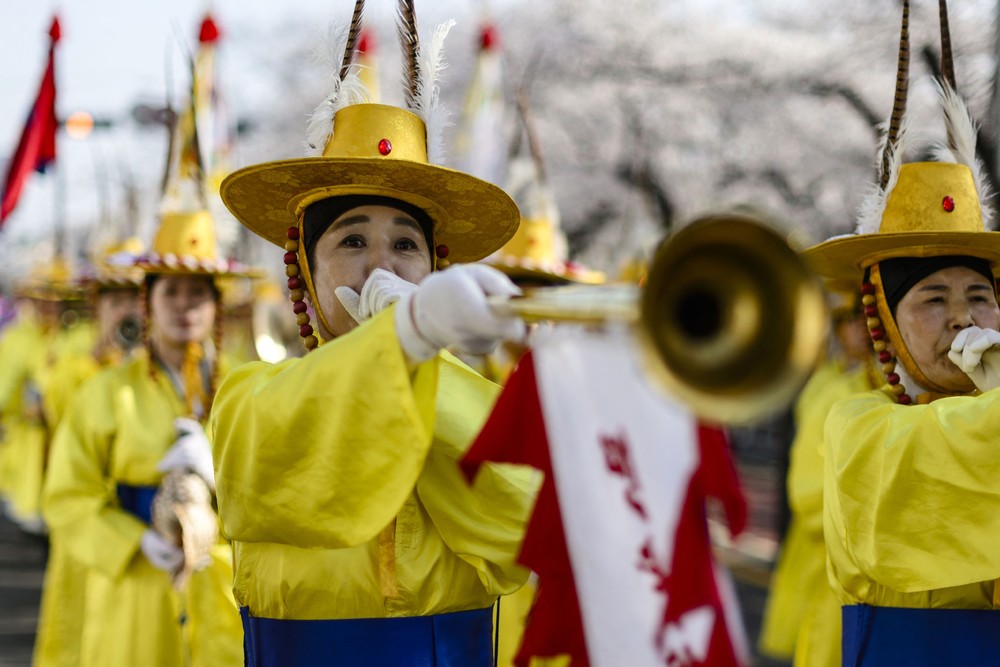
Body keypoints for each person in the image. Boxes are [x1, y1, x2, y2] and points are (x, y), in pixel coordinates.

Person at [210, 5, 539, 665]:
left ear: (436, 267)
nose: (382, 265)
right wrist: (404, 337)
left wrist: (418, 346)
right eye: (352, 238)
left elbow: (525, 521)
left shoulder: (478, 402)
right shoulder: (251, 393)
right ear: (305, 266)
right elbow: (269, 463)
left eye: (406, 244)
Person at [803, 1, 1000, 663]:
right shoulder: (858, 427)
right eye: (932, 297)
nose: (962, 317)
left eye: (980, 295)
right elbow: (958, 454)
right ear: (880, 318)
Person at [40, 215, 246, 665]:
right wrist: (133, 542)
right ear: (148, 302)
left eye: (197, 292)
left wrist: (221, 475)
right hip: (137, 578)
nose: (184, 305)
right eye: (169, 291)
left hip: (223, 574)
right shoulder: (106, 391)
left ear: (215, 303)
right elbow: (68, 496)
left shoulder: (244, 387)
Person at [31, 243, 144, 667]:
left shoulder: (165, 367)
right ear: (99, 307)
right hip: (89, 528)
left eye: (135, 297)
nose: (126, 309)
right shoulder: (75, 367)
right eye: (116, 299)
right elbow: (57, 409)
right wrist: (100, 356)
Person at [757, 287, 877, 667]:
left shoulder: (875, 384)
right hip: (834, 549)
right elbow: (809, 488)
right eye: (852, 320)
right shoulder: (833, 386)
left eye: (867, 317)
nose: (862, 328)